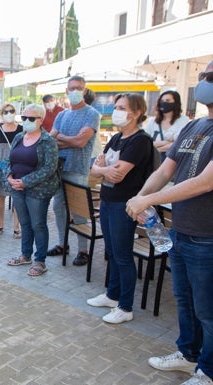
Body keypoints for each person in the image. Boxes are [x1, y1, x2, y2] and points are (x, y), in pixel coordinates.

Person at [126, 62, 213, 385]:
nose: (204, 83)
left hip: (208, 236)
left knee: (208, 309)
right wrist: (139, 196)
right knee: (185, 300)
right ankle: (189, 355)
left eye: (211, 78)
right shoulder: (195, 127)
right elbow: (165, 171)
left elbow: (205, 182)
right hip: (182, 231)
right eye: (203, 76)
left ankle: (208, 369)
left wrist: (147, 201)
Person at [86, 93, 152, 324]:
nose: (116, 111)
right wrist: (103, 170)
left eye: (121, 107)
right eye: (116, 106)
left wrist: (103, 169)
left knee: (123, 255)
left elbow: (117, 173)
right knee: (112, 252)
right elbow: (95, 170)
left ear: (135, 113)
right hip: (107, 199)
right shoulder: (116, 138)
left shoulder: (140, 141)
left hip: (124, 204)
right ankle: (112, 295)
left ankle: (125, 306)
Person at [49, 75, 101, 266]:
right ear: (66, 91)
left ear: (85, 90)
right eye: (72, 88)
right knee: (58, 206)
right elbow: (50, 141)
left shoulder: (91, 114)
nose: (75, 91)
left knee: (79, 210)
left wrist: (62, 139)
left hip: (78, 168)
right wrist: (67, 140)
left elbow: (81, 142)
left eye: (79, 88)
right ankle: (63, 244)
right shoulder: (62, 115)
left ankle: (83, 250)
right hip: (59, 168)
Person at [3, 104, 59, 277]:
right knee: (25, 223)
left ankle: (40, 261)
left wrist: (25, 182)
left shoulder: (47, 141)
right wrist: (9, 176)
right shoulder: (19, 136)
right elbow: (8, 159)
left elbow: (50, 168)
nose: (26, 121)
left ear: (41, 120)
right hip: (17, 187)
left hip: (38, 190)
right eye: (24, 118)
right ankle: (25, 255)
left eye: (31, 118)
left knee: (38, 225)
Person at [0, 103, 22, 238]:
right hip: (1, 167)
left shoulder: (21, 129)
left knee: (18, 197)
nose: (9, 114)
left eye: (11, 111)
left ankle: (16, 226)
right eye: (6, 111)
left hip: (18, 166)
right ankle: (0, 224)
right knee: (0, 195)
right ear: (2, 114)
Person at [143, 90, 189, 161]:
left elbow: (181, 144)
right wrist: (168, 143)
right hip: (153, 163)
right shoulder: (152, 121)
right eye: (162, 100)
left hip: (174, 162)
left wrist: (158, 149)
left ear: (175, 103)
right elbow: (145, 143)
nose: (164, 103)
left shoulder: (183, 120)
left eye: (167, 100)